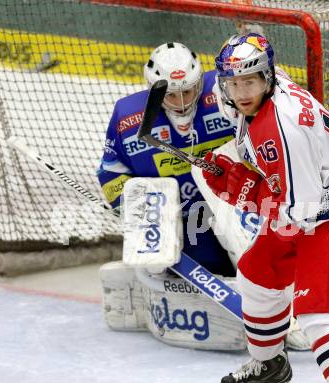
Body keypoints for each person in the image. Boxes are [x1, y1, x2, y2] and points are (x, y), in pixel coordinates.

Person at [202, 33, 329, 383]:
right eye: (233, 83)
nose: (240, 92)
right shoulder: (260, 89)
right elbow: (285, 182)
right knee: (258, 273)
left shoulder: (280, 128)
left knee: (316, 305)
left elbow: (300, 214)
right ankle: (271, 364)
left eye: (248, 82)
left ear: (266, 78)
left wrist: (243, 190)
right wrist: (242, 174)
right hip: (313, 192)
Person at [97, 41, 236, 277]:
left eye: (187, 92)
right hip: (181, 220)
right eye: (170, 94)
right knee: (194, 265)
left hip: (235, 207)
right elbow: (111, 171)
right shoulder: (128, 118)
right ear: (154, 89)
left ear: (199, 82)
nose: (181, 102)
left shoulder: (227, 96)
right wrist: (131, 206)